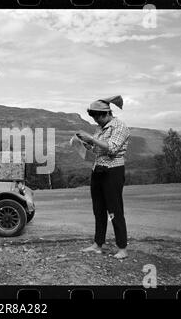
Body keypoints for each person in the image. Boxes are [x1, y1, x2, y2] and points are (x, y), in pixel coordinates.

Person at [73, 95, 130, 259]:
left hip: (113, 171)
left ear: (105, 114)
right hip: (98, 170)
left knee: (115, 210)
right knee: (98, 209)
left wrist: (91, 138)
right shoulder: (101, 128)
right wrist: (85, 143)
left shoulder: (119, 126)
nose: (96, 121)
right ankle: (98, 244)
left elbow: (112, 148)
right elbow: (98, 150)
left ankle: (122, 248)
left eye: (96, 117)